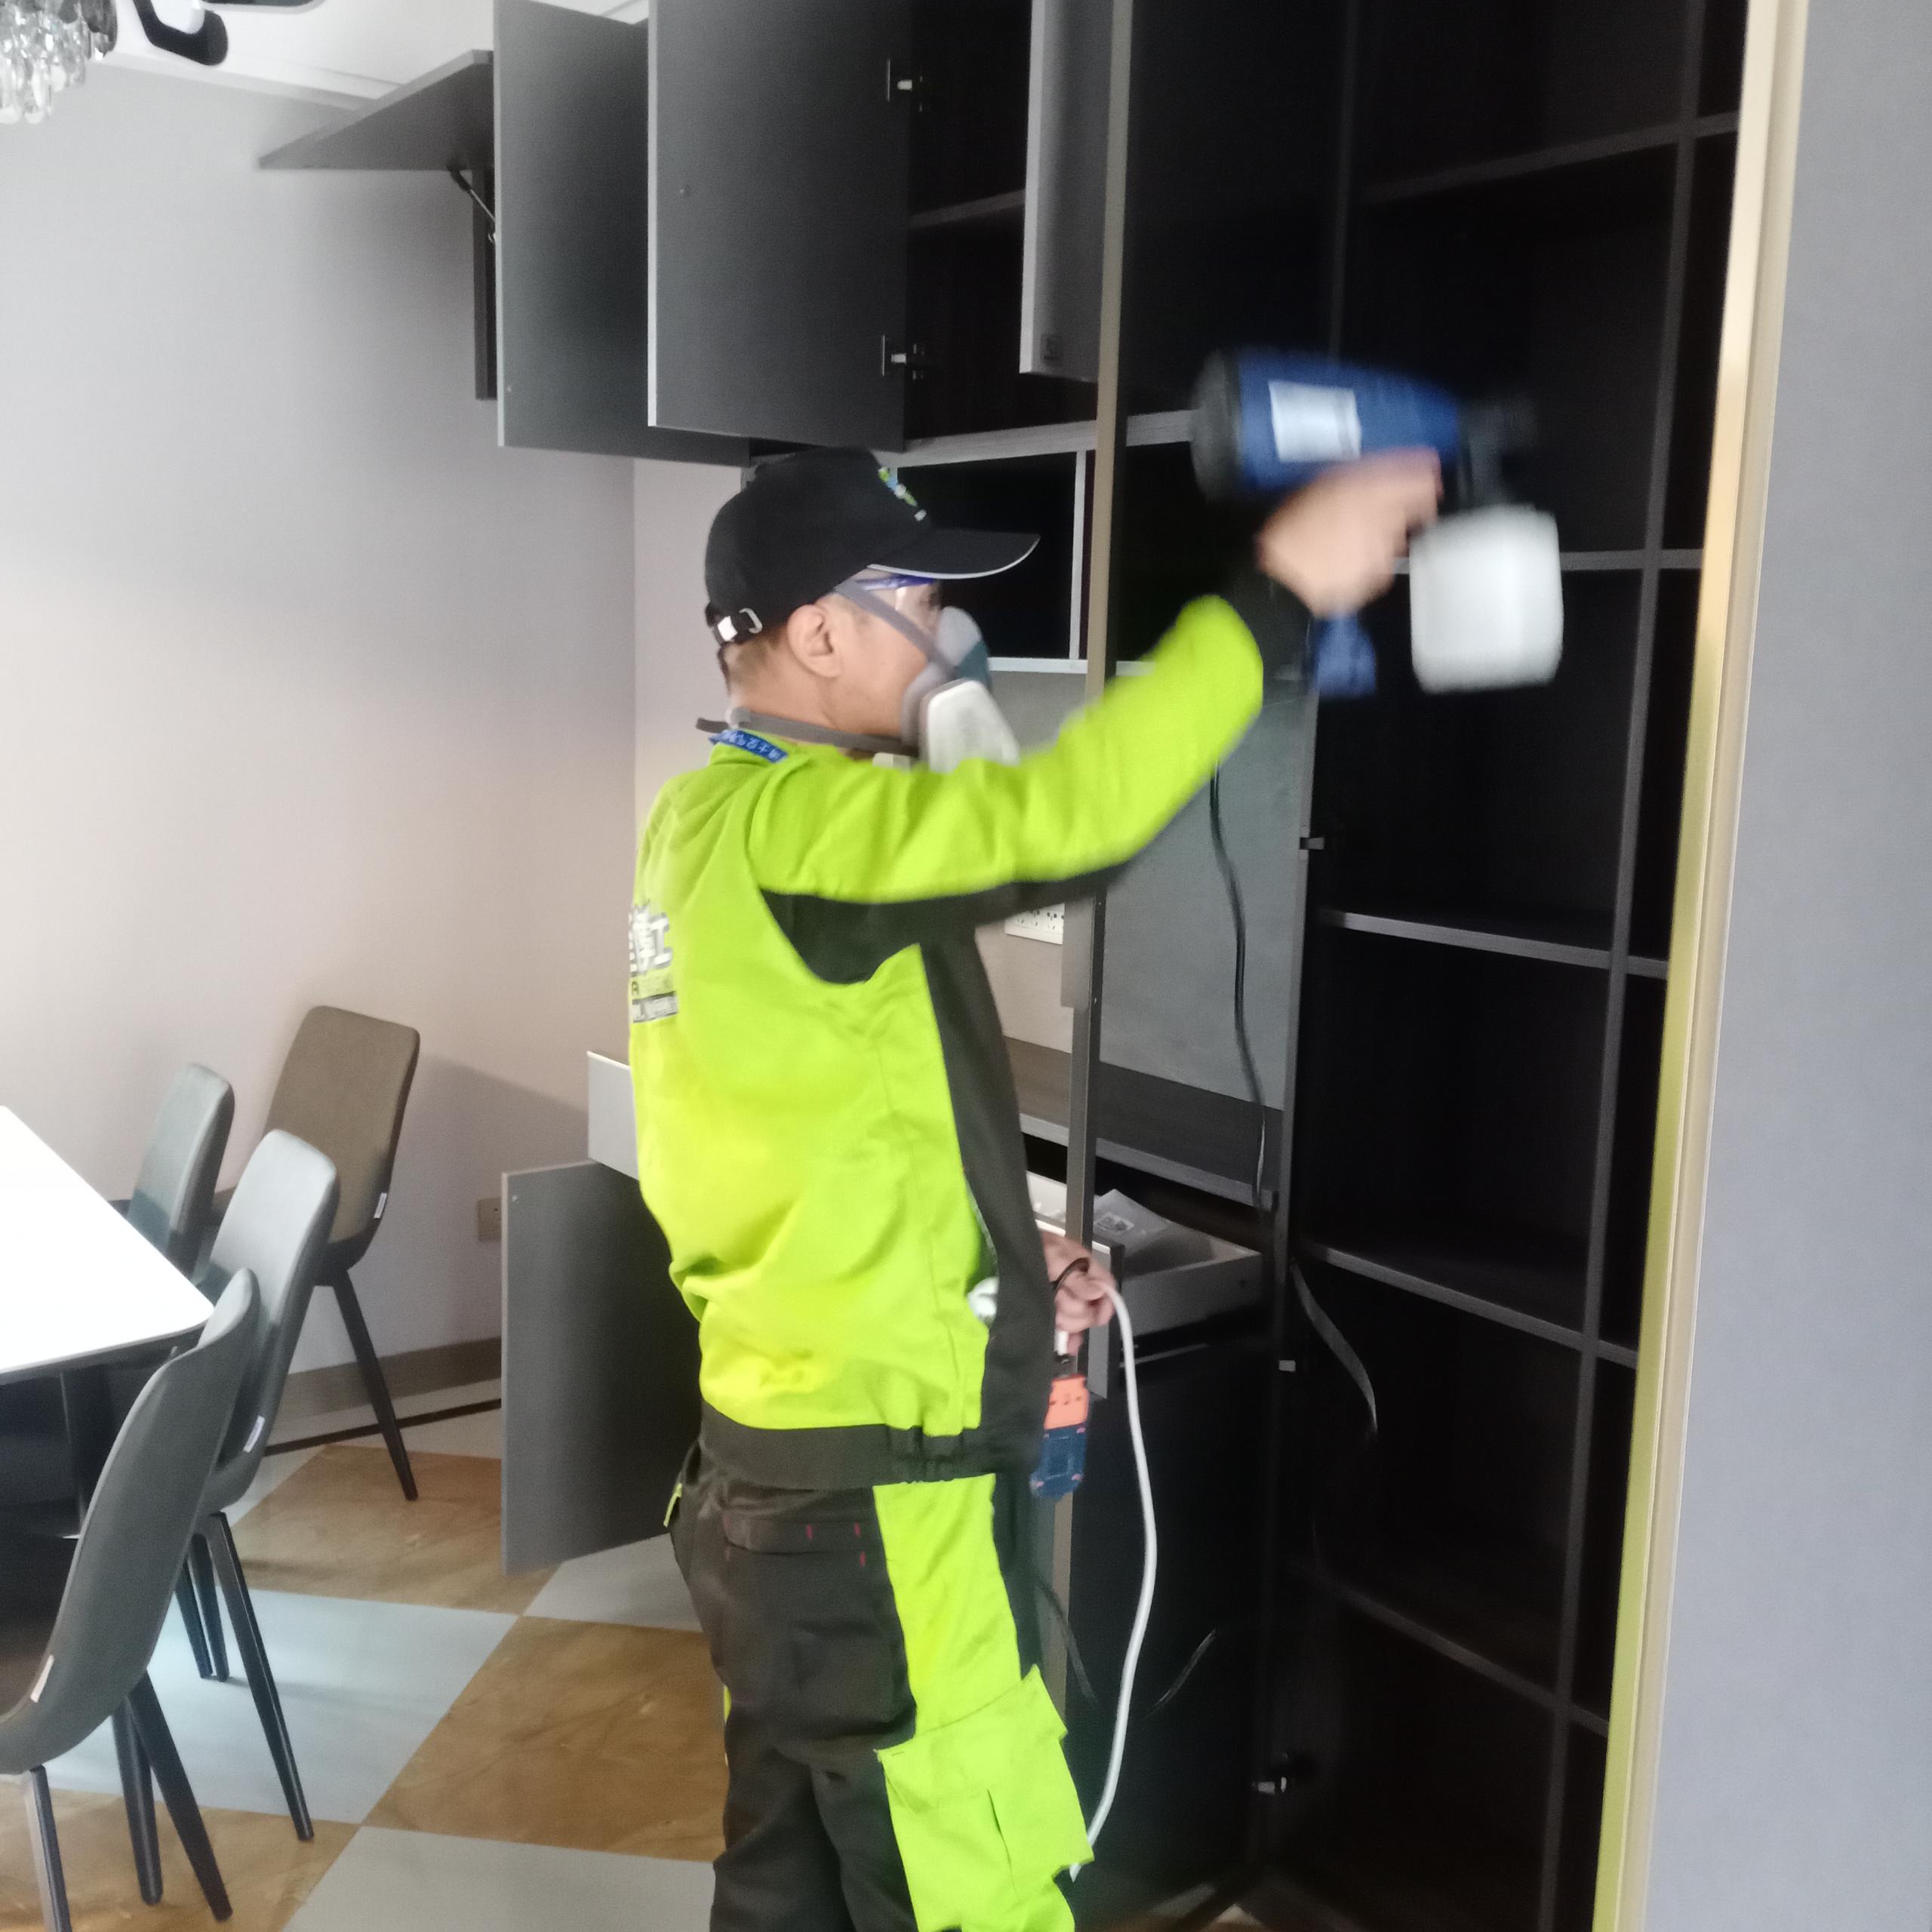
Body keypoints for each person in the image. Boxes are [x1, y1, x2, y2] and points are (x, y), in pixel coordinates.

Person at [630, 444, 1439, 1932]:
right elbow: (1062, 825)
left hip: (767, 1484)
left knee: (790, 1881)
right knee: (976, 1884)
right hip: (881, 1500)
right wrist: (1274, 597)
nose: (948, 633)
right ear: (819, 632)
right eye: (920, 601)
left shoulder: (701, 824)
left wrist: (1003, 1256)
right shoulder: (813, 833)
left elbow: (803, 1125)